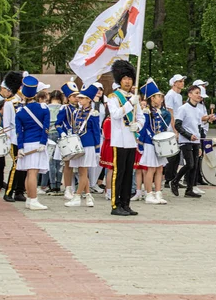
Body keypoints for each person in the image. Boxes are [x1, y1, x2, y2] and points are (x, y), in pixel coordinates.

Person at [107, 60, 144, 216]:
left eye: (130, 78)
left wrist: (139, 126)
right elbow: (115, 114)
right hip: (119, 140)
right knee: (119, 173)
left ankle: (125, 203)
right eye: (125, 78)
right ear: (119, 80)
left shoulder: (133, 97)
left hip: (131, 140)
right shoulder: (113, 97)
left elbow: (142, 117)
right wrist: (130, 103)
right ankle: (116, 205)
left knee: (129, 173)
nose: (128, 81)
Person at [15, 75, 50, 210]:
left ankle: (29, 199)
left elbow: (19, 131)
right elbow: (46, 127)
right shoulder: (43, 108)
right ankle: (33, 199)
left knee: (29, 173)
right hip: (38, 143)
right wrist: (43, 142)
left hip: (26, 143)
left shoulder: (20, 111)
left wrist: (20, 146)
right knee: (33, 173)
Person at [65, 84, 100, 208]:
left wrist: (97, 149)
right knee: (81, 171)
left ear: (89, 99)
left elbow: (96, 131)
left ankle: (77, 196)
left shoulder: (94, 113)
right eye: (79, 98)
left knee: (83, 171)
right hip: (78, 145)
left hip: (88, 145)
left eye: (82, 98)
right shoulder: (76, 112)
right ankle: (89, 196)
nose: (79, 100)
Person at [138, 78, 169, 204]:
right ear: (152, 98)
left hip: (158, 143)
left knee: (159, 169)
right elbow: (144, 128)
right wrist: (143, 143)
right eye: (158, 97)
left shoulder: (158, 111)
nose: (160, 99)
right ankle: (149, 193)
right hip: (150, 143)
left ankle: (158, 192)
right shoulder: (146, 111)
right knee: (151, 168)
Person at [172, 85, 205, 198]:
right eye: (196, 92)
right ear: (190, 94)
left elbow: (198, 127)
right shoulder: (183, 108)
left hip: (195, 140)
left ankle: (189, 189)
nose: (198, 95)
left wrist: (199, 145)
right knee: (190, 164)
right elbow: (177, 125)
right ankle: (175, 180)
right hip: (186, 140)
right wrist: (188, 135)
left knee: (195, 165)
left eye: (199, 93)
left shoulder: (198, 110)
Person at [1, 71, 26, 203]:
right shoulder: (10, 103)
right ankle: (9, 191)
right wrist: (9, 139)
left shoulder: (25, 101)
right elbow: (7, 123)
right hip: (15, 138)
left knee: (24, 166)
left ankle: (20, 191)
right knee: (17, 164)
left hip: (26, 138)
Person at [54, 77, 80, 200]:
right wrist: (62, 133)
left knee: (80, 165)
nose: (76, 98)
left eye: (77, 95)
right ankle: (68, 188)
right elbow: (58, 124)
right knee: (68, 165)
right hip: (68, 139)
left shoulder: (81, 109)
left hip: (78, 138)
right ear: (68, 97)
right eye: (74, 96)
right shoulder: (64, 109)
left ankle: (79, 189)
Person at [163, 74, 185, 187]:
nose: (182, 83)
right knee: (172, 154)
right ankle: (168, 178)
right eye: (180, 81)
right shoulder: (170, 95)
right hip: (172, 127)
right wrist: (175, 129)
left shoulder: (179, 96)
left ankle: (174, 177)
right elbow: (171, 113)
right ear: (174, 83)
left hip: (177, 125)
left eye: (182, 81)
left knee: (177, 154)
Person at [46, 90, 64, 194]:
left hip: (49, 134)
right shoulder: (63, 107)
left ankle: (52, 185)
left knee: (51, 161)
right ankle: (58, 184)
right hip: (60, 133)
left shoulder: (47, 107)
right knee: (60, 161)